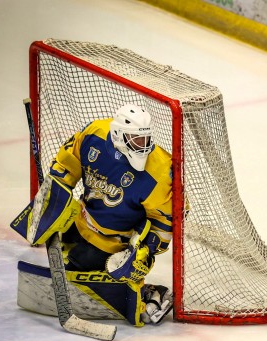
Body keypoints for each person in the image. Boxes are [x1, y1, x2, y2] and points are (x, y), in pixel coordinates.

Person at [18, 104, 174, 326]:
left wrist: (144, 252)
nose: (144, 146)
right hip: (80, 221)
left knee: (82, 274)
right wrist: (52, 200)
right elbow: (66, 164)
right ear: (118, 135)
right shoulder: (94, 135)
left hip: (113, 245)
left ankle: (151, 293)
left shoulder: (160, 170)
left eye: (146, 139)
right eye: (136, 140)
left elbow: (164, 221)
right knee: (67, 258)